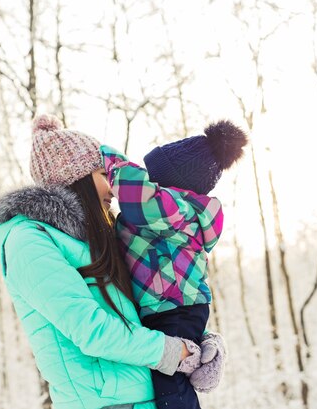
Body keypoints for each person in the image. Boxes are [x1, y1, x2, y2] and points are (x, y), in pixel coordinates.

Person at [0, 114, 215, 409]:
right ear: (76, 176)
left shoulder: (100, 238)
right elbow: (91, 330)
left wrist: (201, 343)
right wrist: (177, 352)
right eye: (104, 175)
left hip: (155, 396)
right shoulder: (27, 240)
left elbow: (148, 307)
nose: (113, 188)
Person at [99, 120, 248, 409]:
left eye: (155, 177)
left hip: (172, 307)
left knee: (170, 383)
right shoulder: (174, 215)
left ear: (173, 183)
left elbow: (136, 193)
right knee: (172, 377)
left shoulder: (174, 208)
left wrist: (110, 160)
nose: (149, 181)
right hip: (177, 305)